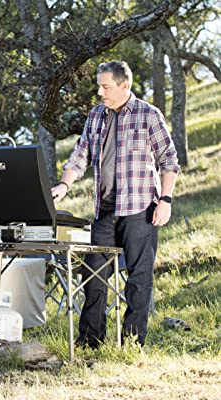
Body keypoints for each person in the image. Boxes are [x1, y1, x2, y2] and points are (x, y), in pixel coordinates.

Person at [51, 61, 179, 348]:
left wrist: (166, 200)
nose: (100, 92)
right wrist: (64, 184)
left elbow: (169, 161)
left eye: (105, 86)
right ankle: (90, 342)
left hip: (139, 210)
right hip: (105, 212)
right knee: (93, 277)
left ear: (125, 86)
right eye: (99, 85)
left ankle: (132, 345)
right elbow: (80, 155)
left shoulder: (148, 115)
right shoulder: (96, 116)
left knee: (139, 279)